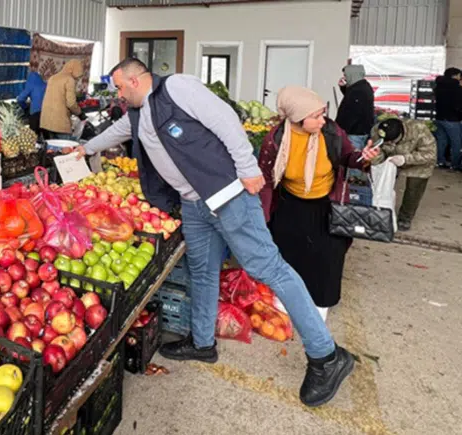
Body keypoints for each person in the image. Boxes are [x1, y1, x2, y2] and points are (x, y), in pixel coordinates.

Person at [73, 58, 370, 407]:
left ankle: (326, 356)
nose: (119, 95)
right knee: (202, 270)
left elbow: (226, 120)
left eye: (121, 87)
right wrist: (85, 148)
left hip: (229, 196)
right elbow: (122, 130)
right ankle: (202, 343)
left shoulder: (178, 88)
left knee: (269, 268)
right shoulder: (141, 111)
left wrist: (247, 169)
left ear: (136, 81)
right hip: (195, 204)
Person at [258, 87, 378, 321]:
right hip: (289, 204)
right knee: (290, 254)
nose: (322, 120)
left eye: (323, 113)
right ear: (297, 118)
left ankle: (321, 302)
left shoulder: (331, 132)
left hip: (327, 202)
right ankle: (287, 299)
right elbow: (265, 179)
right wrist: (261, 217)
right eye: (316, 116)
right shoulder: (275, 140)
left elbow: (348, 157)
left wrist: (364, 157)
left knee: (328, 256)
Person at [369, 118, 437, 231]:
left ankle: (405, 217)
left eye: (392, 141)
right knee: (382, 183)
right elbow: (376, 149)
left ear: (401, 134)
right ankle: (379, 210)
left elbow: (430, 154)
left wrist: (405, 159)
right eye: (387, 141)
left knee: (413, 190)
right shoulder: (377, 130)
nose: (389, 143)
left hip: (418, 163)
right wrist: (377, 160)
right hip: (391, 159)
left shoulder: (419, 130)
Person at [40, 60, 86, 139]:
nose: (78, 78)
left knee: (50, 149)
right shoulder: (69, 79)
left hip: (46, 121)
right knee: (64, 149)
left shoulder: (53, 77)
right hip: (60, 123)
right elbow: (71, 103)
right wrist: (80, 113)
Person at [335, 64, 375, 151]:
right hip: (359, 131)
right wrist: (343, 87)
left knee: (352, 158)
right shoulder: (361, 86)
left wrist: (340, 130)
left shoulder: (358, 90)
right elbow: (351, 99)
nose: (344, 78)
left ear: (352, 75)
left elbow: (352, 113)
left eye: (346, 75)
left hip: (354, 133)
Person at [433, 68, 462, 169]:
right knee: (456, 142)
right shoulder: (456, 88)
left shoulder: (438, 86)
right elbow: (458, 105)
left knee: (441, 140)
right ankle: (455, 164)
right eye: (459, 75)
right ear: (454, 76)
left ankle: (440, 161)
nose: (460, 77)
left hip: (439, 117)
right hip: (452, 119)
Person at [17, 71, 47, 135]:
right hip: (46, 114)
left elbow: (20, 99)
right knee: (46, 137)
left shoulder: (31, 83)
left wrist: (25, 108)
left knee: (34, 137)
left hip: (35, 113)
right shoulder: (45, 85)